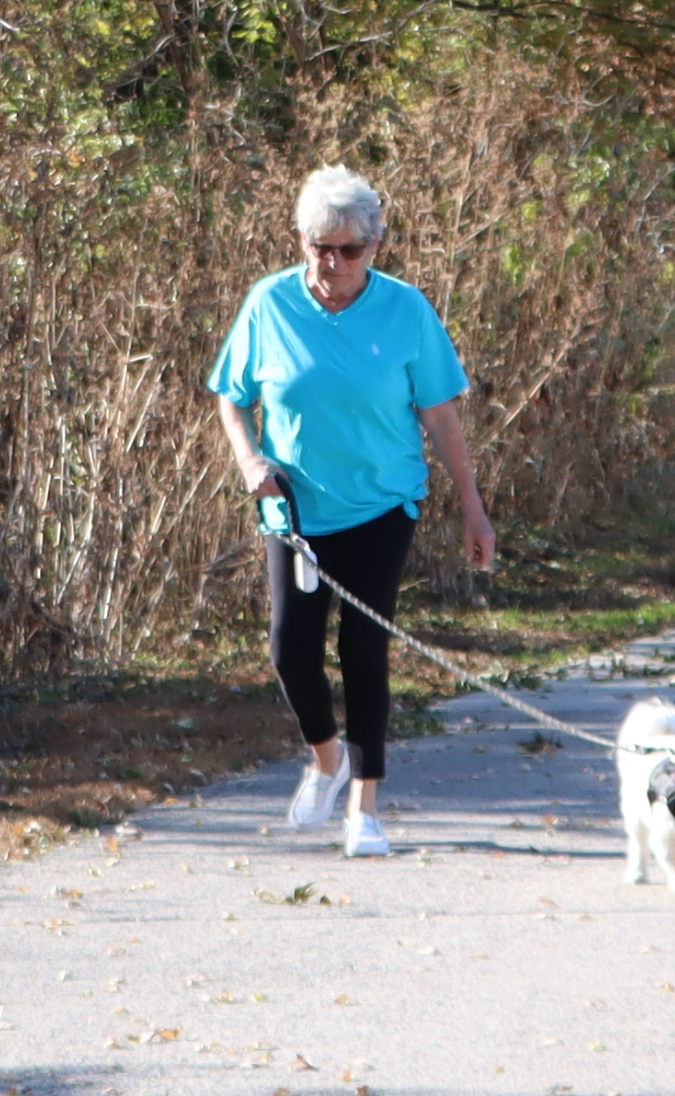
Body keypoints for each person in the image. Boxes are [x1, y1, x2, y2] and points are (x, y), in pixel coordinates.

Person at [209, 165, 498, 859]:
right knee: (289, 650)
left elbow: (440, 411)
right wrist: (250, 462)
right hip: (293, 505)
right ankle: (327, 758)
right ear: (299, 240)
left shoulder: (405, 310)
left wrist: (473, 509)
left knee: (364, 648)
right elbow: (230, 393)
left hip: (380, 502)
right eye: (319, 247)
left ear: (377, 244)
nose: (332, 263)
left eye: (349, 249)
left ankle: (364, 807)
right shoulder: (268, 303)